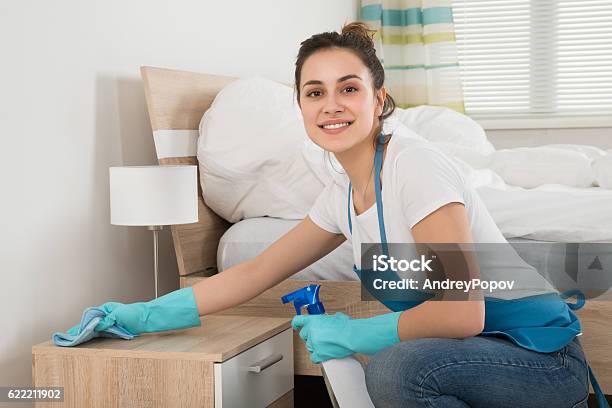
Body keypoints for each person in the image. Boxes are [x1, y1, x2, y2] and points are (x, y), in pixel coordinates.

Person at [91, 22, 599, 407]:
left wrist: (353, 333)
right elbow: (254, 273)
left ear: (378, 99)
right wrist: (140, 315)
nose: (331, 105)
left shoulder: (414, 166)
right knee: (396, 367)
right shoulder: (342, 191)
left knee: (397, 369)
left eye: (348, 88)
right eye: (315, 92)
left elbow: (461, 312)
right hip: (479, 358)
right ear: (300, 105)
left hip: (542, 361)